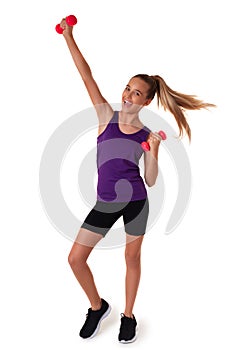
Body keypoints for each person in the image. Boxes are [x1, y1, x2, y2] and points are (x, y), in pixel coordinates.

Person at [59, 18, 215, 343]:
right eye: (127, 88)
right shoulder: (105, 117)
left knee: (131, 258)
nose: (129, 95)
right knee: (75, 259)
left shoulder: (146, 134)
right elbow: (85, 73)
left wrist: (155, 151)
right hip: (105, 202)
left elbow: (151, 180)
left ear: (147, 101)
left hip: (135, 203)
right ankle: (97, 306)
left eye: (137, 93)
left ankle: (128, 316)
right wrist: (69, 36)